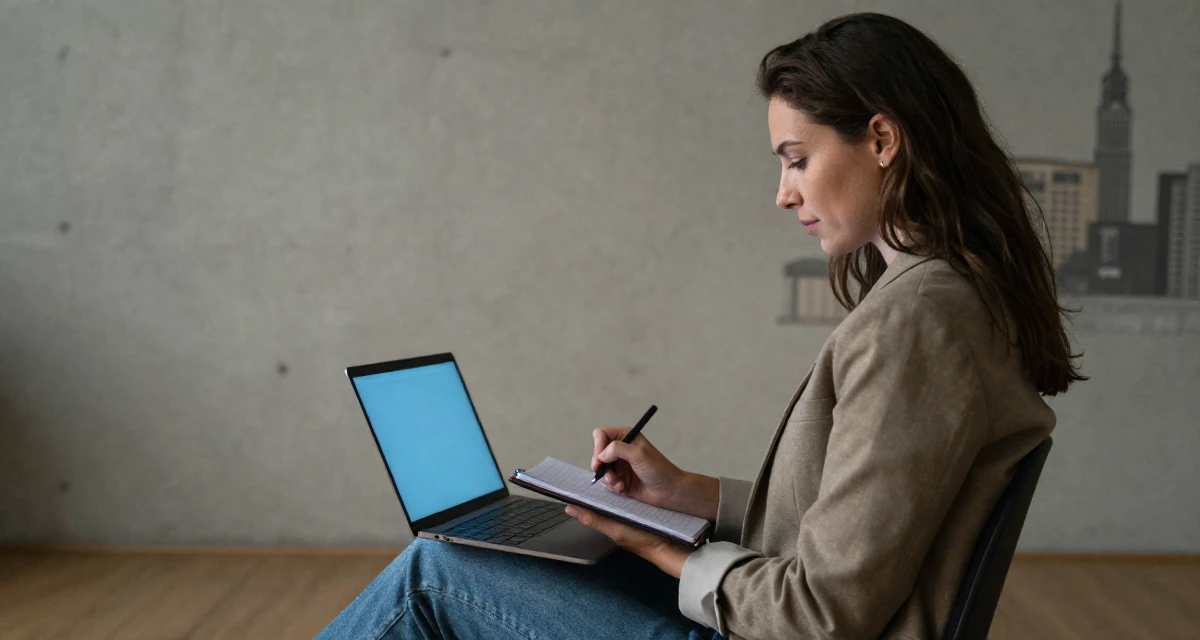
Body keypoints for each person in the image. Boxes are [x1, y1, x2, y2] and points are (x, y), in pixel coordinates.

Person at [319, 11, 1084, 640]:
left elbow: (824, 612)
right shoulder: (949, 299)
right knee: (536, 560)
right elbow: (848, 526)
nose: (783, 193)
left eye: (796, 159)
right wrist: (682, 494)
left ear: (882, 141)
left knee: (433, 575)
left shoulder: (919, 322)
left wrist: (656, 546)